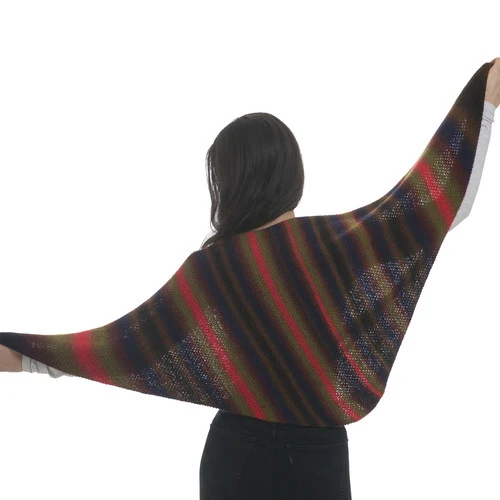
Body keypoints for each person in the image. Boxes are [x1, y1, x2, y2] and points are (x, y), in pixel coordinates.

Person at [1, 59, 499, 499]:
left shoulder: (212, 270)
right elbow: (442, 204)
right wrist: (485, 105)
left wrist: (30, 359)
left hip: (235, 454)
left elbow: (122, 349)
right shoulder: (337, 245)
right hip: (319, 455)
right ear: (292, 173)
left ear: (228, 183)